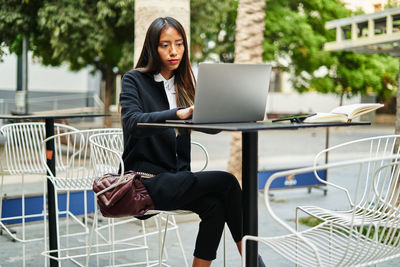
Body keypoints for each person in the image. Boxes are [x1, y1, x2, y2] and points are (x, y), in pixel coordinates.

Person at [120, 17, 265, 267]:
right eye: (165, 45)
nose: (173, 51)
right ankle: (254, 263)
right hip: (146, 182)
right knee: (228, 181)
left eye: (179, 44)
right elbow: (133, 122)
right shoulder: (133, 80)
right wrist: (178, 114)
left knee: (215, 207)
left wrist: (225, 111)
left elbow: (208, 129)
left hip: (178, 178)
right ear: (152, 48)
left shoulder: (184, 82)